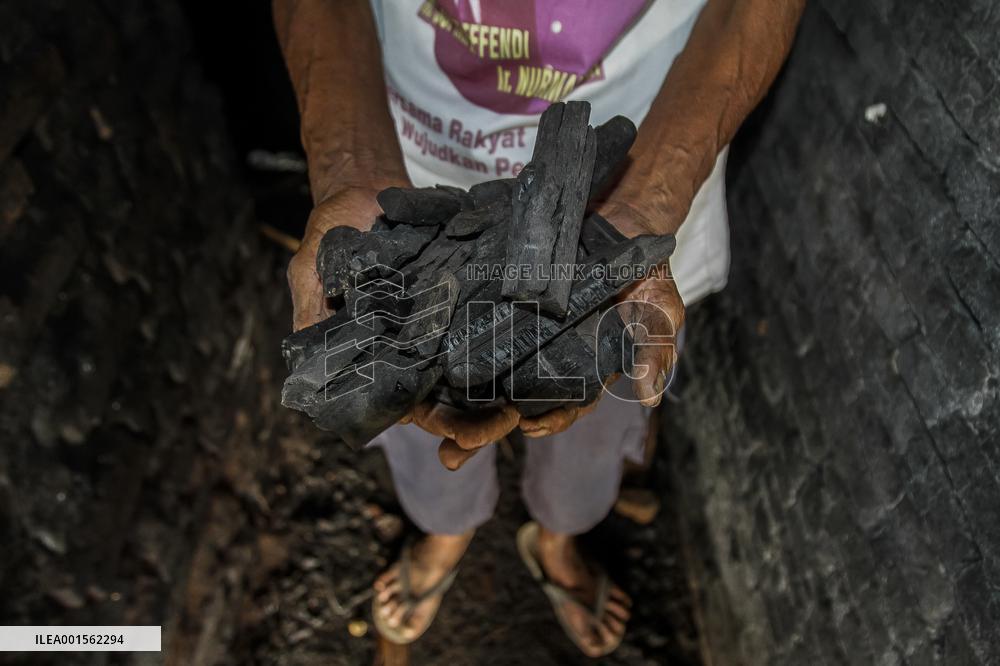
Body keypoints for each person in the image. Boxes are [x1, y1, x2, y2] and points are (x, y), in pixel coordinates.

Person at [274, 0, 803, 656]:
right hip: (406, 156)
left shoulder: (624, 223)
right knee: (413, 412)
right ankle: (448, 530)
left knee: (595, 425)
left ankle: (558, 537)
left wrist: (648, 202)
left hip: (641, 177)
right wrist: (349, 170)